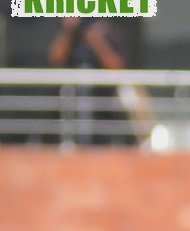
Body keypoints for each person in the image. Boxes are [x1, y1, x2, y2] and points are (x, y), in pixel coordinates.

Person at [47, 17, 133, 146]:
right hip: (71, 108)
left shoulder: (110, 31)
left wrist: (97, 41)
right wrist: (68, 30)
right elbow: (55, 59)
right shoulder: (70, 33)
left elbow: (117, 67)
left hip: (102, 109)